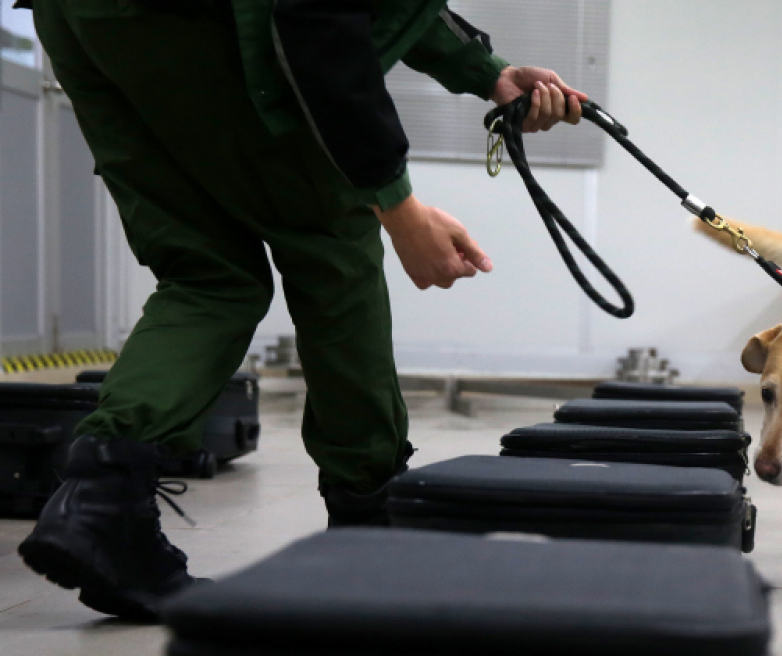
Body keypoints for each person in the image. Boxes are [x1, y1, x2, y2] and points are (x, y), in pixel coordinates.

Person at [14, 0, 587, 622]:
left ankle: (102, 499)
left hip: (78, 20)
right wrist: (398, 207)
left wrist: (488, 71)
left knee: (208, 277)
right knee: (334, 256)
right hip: (210, 22)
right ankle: (367, 524)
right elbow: (318, 28)